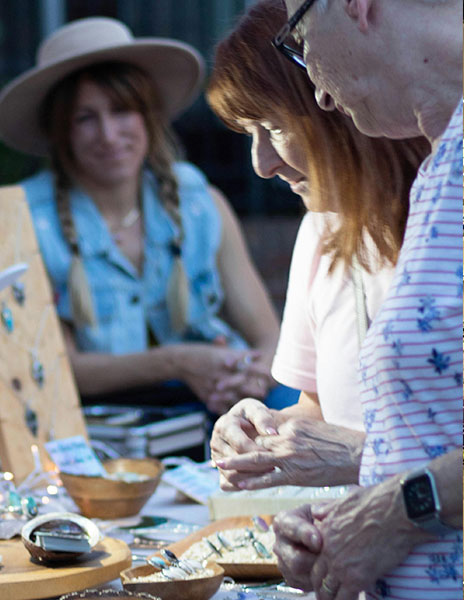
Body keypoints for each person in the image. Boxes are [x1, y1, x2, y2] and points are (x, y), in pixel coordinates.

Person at [0, 17, 288, 417]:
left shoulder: (199, 202)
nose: (109, 135)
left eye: (122, 111)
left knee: (293, 398)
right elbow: (51, 369)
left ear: (149, 116)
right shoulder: (24, 221)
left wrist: (252, 377)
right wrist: (178, 362)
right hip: (102, 418)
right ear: (60, 132)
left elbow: (270, 337)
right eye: (85, 118)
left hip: (214, 396)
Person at [267, 0, 463, 598]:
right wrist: (343, 526)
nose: (319, 95)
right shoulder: (441, 163)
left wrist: (396, 513)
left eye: (297, 36)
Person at [204, 0, 428, 491]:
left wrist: (360, 458)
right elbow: (323, 409)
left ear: (333, 97)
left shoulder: (444, 214)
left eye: (275, 126)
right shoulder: (321, 232)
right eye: (249, 133)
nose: (262, 163)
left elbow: (354, 444)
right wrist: (263, 430)